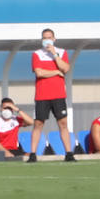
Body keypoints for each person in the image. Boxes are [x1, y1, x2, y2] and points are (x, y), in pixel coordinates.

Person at [30, 27, 75, 162]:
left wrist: (55, 54)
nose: (47, 40)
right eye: (44, 38)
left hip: (59, 94)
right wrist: (56, 72)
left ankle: (68, 153)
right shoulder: (37, 54)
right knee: (38, 124)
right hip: (42, 95)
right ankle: (33, 154)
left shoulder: (61, 52)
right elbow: (39, 72)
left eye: (49, 37)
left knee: (63, 123)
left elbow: (65, 68)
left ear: (54, 39)